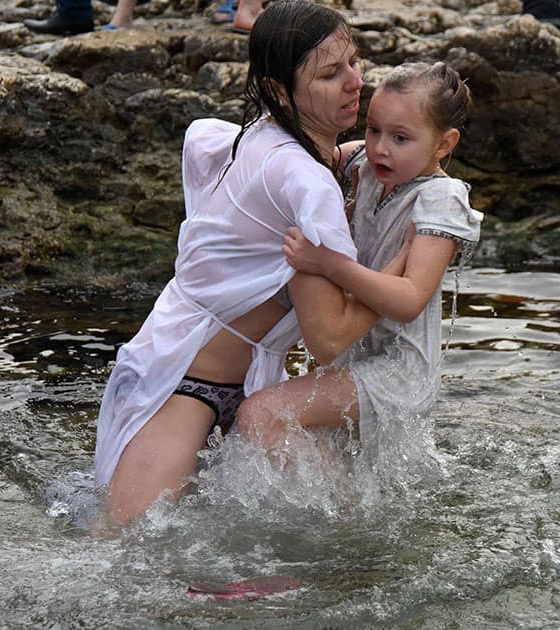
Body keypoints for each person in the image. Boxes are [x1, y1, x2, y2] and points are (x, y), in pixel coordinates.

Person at [92, 0, 391, 530]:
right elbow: (327, 341)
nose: (355, 82)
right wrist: (403, 273)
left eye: (354, 62)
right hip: (182, 386)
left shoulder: (259, 135)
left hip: (242, 382)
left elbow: (204, 144)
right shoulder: (306, 182)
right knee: (120, 548)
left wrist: (343, 157)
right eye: (330, 73)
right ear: (280, 91)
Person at [234, 62, 483, 467]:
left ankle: (337, 519)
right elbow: (307, 154)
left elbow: (409, 300)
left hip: (398, 372)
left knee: (261, 413)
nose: (380, 147)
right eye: (373, 129)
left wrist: (328, 265)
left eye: (401, 138)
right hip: (356, 356)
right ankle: (342, 511)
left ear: (443, 144)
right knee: (342, 460)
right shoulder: (369, 170)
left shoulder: (440, 198)